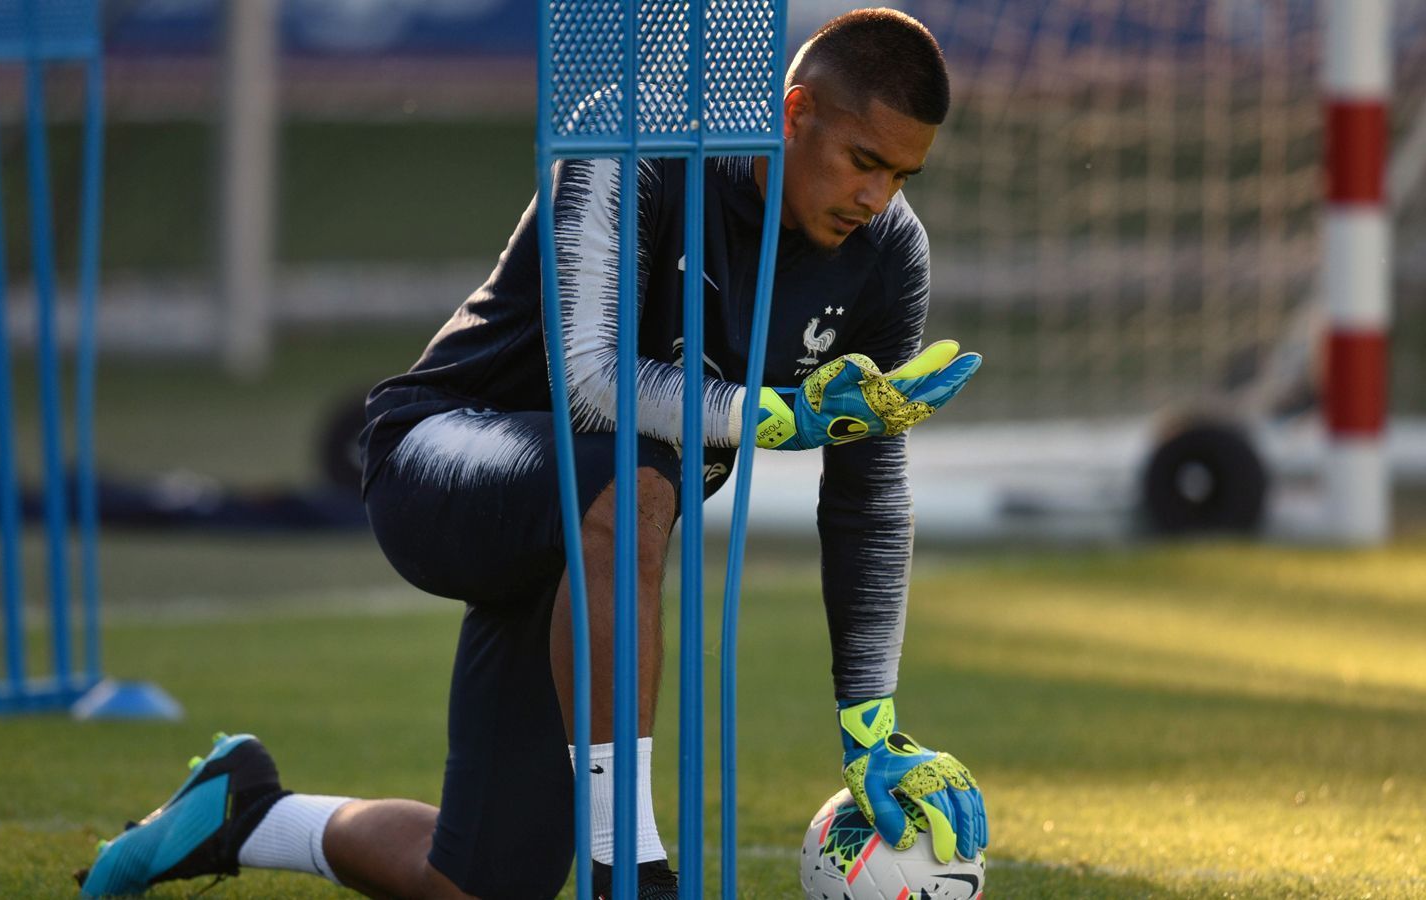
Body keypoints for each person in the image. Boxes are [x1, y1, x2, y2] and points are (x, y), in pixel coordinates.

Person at [76, 8, 988, 899]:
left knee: (484, 880)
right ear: (794, 111)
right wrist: (779, 415)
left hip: (587, 551)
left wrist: (870, 723)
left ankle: (244, 812)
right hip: (440, 456)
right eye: (863, 162)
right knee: (635, 475)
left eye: (902, 178)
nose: (877, 199)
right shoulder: (630, 144)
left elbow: (867, 493)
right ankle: (627, 863)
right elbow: (591, 380)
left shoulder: (890, 255)